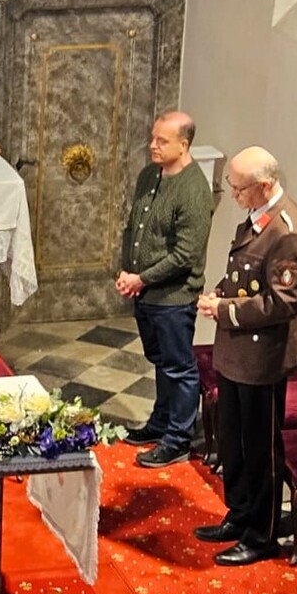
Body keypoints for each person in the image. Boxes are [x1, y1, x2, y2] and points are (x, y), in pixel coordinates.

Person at [196, 146, 297, 566]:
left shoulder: (287, 230)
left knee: (260, 448)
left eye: (239, 188)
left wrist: (225, 310)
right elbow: (245, 275)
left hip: (263, 357)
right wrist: (219, 295)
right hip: (236, 350)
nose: (233, 194)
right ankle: (240, 514)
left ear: (264, 185)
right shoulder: (257, 217)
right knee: (234, 440)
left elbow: (284, 301)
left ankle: (262, 534)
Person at [117, 111, 214, 467]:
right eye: (152, 138)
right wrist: (128, 271)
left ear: (183, 145)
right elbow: (135, 227)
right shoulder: (149, 175)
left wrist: (141, 278)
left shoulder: (194, 190)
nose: (152, 145)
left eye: (162, 141)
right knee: (160, 362)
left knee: (179, 367)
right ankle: (160, 422)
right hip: (145, 293)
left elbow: (185, 255)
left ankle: (177, 439)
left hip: (173, 298)